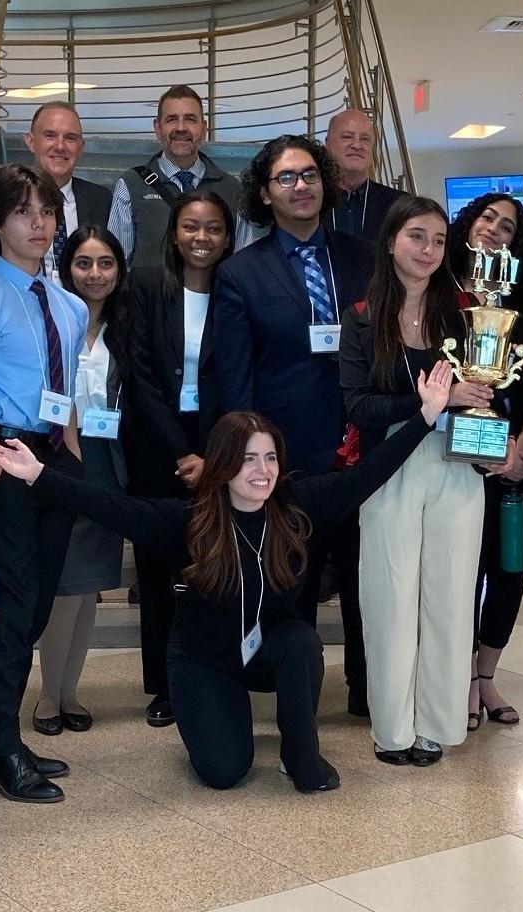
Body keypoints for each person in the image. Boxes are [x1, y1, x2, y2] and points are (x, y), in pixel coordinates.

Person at [0, 362, 457, 792]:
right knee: (225, 772)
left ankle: (300, 754)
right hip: (203, 660)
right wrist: (38, 473)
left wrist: (426, 415)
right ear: (224, 464)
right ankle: (215, 719)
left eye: (269, 458)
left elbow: (369, 474)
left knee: (301, 642)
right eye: (247, 459)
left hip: (270, 649)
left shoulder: (297, 506)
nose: (262, 471)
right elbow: (111, 508)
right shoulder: (188, 520)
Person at [341, 195, 509, 764]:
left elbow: (488, 393)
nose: (428, 250)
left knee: (451, 597)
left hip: (457, 468)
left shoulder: (464, 315)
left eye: (438, 241)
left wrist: (486, 425)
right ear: (391, 241)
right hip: (390, 465)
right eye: (417, 237)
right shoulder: (364, 316)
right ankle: (392, 728)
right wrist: (427, 406)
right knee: (390, 597)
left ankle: (438, 723)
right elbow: (357, 406)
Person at [215, 134, 375, 715]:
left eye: (310, 174)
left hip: (366, 450)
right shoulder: (241, 274)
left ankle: (368, 694)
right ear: (265, 192)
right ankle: (297, 700)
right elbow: (235, 381)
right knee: (295, 586)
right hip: (289, 460)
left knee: (366, 583)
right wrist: (245, 462)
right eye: (286, 177)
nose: (301, 185)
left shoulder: (364, 257)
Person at [0, 163, 88, 803]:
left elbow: (71, 388)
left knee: (36, 603)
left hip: (54, 457)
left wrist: (73, 449)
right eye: (25, 212)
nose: (39, 224)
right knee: (13, 598)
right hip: (3, 455)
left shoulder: (70, 304)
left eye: (47, 212)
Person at [125, 188, 236, 726]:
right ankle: (164, 685)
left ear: (228, 236)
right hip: (158, 445)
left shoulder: (236, 290)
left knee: (211, 566)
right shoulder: (147, 286)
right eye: (191, 227)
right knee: (158, 571)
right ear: (174, 233)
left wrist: (213, 457)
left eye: (213, 227)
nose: (202, 238)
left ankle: (210, 672)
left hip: (219, 443)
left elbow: (239, 375)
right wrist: (182, 451)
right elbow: (140, 375)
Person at [443, 193, 523, 732]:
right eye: (487, 217)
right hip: (452, 452)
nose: (494, 229)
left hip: (519, 457)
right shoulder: (442, 290)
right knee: (462, 564)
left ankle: (487, 673)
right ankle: (459, 674)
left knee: (510, 563)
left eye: (507, 226)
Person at [31, 227, 129, 736]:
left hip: (109, 460)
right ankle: (48, 695)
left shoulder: (127, 324)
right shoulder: (51, 318)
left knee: (90, 586)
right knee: (65, 584)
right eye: (85, 264)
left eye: (106, 263)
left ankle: (72, 691)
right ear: (67, 267)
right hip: (61, 455)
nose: (95, 274)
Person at [108, 84, 241, 269]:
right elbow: (116, 264)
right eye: (171, 119)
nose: (180, 128)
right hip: (148, 298)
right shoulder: (131, 185)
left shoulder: (231, 189)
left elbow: (244, 265)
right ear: (158, 127)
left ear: (203, 128)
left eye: (190, 119)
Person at [0, 102, 112, 274]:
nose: (60, 146)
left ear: (81, 147)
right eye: (50, 136)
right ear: (30, 142)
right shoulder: (4, 197)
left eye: (70, 138)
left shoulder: (101, 200)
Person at [323, 108, 406, 242]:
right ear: (327, 144)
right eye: (347, 137)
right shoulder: (310, 200)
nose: (357, 145)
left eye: (365, 139)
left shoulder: (399, 204)